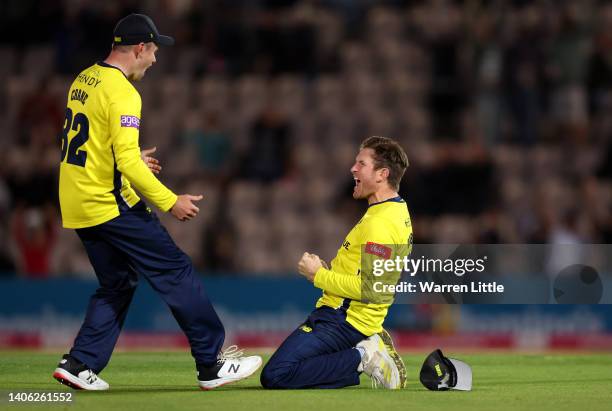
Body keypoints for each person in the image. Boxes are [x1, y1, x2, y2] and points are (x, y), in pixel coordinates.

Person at [53, 13, 261, 391]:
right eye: (153, 50)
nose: (155, 59)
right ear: (138, 48)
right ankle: (212, 364)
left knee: (117, 283)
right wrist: (170, 201)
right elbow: (128, 161)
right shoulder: (124, 91)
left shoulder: (84, 78)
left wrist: (124, 159)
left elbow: (99, 144)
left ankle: (79, 362)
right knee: (175, 269)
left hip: (77, 201)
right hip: (109, 203)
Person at [260, 136, 412, 389]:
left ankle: (366, 356)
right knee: (299, 369)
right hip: (348, 317)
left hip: (343, 320)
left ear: (382, 174)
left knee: (277, 375)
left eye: (361, 164)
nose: (353, 168)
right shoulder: (395, 211)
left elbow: (372, 289)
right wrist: (331, 271)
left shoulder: (380, 223)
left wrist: (318, 275)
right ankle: (364, 348)